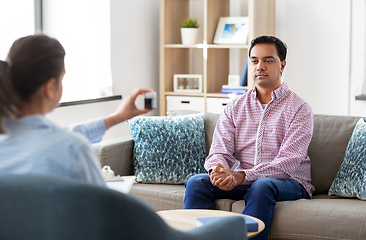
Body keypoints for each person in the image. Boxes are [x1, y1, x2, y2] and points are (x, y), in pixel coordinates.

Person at [184, 36, 314, 240]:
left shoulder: (300, 109)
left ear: (282, 65)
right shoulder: (235, 107)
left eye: (268, 60)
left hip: (289, 182)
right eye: (254, 61)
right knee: (197, 182)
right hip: (243, 180)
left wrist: (241, 176)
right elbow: (219, 149)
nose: (259, 66)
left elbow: (287, 163)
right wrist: (218, 170)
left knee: (263, 185)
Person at [0, 34, 152, 187]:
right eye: (62, 77)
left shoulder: (13, 139)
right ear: (50, 88)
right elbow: (100, 208)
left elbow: (63, 134)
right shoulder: (72, 150)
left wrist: (117, 117)